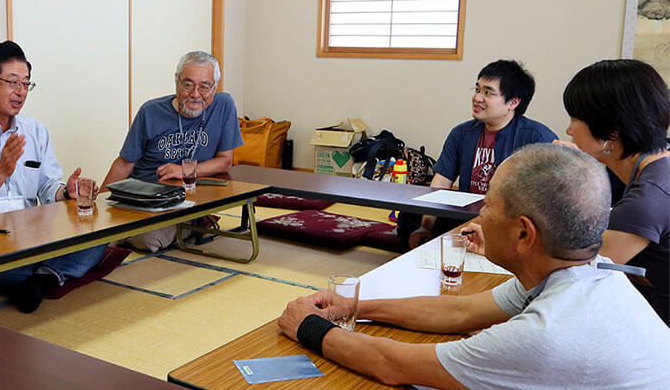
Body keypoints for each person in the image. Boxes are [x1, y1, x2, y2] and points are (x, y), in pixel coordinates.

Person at [278, 144, 670, 389]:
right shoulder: (586, 272)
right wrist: (355, 306)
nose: (481, 213)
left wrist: (309, 326)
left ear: (523, 235)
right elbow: (460, 310)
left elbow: (394, 365)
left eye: (490, 205)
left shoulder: (547, 333)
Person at [0, 40, 107, 313]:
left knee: (97, 236)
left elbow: (48, 185)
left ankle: (39, 279)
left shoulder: (35, 130)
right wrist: (0, 172)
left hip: (27, 238)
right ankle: (49, 275)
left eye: (26, 84)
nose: (21, 92)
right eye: (13, 82)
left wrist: (67, 191)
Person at [557, 59, 669, 324]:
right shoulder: (655, 167)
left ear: (611, 131)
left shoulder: (649, 197)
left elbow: (572, 269)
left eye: (575, 119)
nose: (569, 130)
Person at [401, 60, 557, 250]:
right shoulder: (461, 133)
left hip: (507, 221)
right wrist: (425, 226)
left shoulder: (537, 137)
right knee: (409, 216)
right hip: (465, 214)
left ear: (513, 102)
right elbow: (441, 183)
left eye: (488, 92)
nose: (478, 98)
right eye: (477, 90)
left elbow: (547, 198)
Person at [101, 51, 243, 251]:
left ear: (214, 88)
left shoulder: (224, 105)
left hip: (183, 200)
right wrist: (98, 203)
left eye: (204, 87)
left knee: (147, 240)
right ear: (176, 82)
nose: (195, 94)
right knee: (107, 230)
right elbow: (124, 163)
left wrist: (183, 170)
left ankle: (194, 222)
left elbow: (225, 160)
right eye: (188, 84)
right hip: (143, 196)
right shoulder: (150, 111)